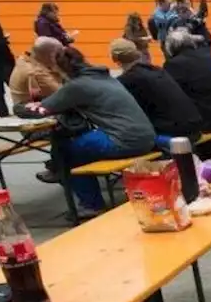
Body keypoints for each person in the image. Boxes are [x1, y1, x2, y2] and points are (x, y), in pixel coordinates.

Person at [26, 48, 156, 215]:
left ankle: (90, 204)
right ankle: (79, 189)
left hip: (123, 140)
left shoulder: (76, 86)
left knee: (67, 150)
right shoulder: (106, 77)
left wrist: (22, 107)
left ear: (58, 69)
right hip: (146, 136)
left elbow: (44, 108)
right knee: (82, 144)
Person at [161, 30, 211, 157]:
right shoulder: (206, 57)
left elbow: (171, 95)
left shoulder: (173, 64)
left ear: (170, 48)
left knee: (167, 125)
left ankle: (190, 165)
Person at [110, 39, 202, 150]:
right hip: (193, 127)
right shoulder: (157, 70)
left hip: (174, 134)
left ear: (115, 59)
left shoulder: (128, 80)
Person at [8, 37, 64, 111]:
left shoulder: (24, 60)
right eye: (58, 56)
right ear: (50, 55)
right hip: (33, 109)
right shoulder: (36, 72)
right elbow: (62, 93)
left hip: (27, 105)